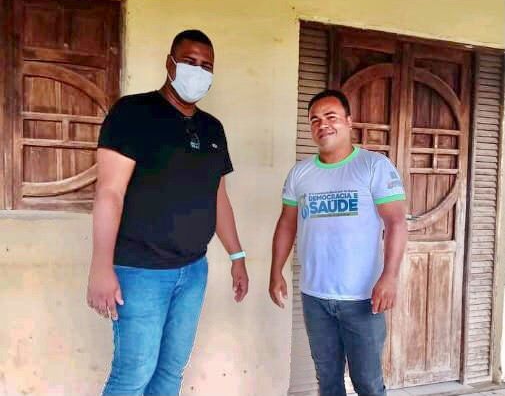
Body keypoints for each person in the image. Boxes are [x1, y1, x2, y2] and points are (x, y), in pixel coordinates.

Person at [87, 29, 249, 396]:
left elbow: (219, 197)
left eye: (206, 66)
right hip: (140, 271)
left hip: (193, 271)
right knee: (133, 375)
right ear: (170, 63)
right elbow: (110, 193)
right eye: (190, 61)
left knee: (170, 372)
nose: (198, 71)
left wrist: (237, 256)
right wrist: (100, 266)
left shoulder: (213, 129)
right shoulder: (132, 113)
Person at [269, 89, 407, 396]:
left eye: (331, 116)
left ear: (349, 121)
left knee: (368, 384)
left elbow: (396, 222)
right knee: (328, 381)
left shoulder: (373, 166)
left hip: (362, 298)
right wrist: (275, 270)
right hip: (315, 297)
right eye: (315, 119)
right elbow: (287, 223)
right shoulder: (300, 173)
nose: (323, 125)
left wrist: (390, 276)